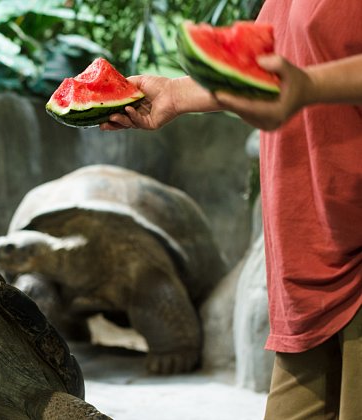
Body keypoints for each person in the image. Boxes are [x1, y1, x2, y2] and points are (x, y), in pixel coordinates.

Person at [101, 1, 362, 419]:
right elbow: (270, 71)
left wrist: (309, 86)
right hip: (310, 260)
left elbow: (297, 79)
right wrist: (173, 94)